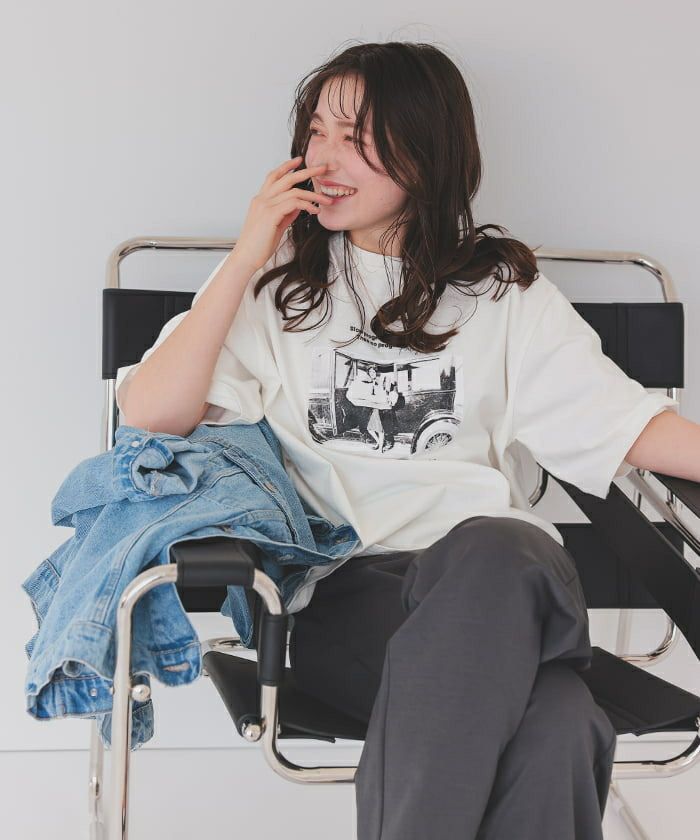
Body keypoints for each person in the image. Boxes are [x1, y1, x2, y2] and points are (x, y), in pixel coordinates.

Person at [116, 41, 680, 839]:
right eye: (316, 132)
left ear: (426, 148)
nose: (324, 158)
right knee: (559, 718)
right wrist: (247, 254)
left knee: (497, 547)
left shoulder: (503, 297)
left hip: (505, 580)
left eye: (355, 137)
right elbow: (149, 414)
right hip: (342, 603)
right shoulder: (278, 287)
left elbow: (632, 427)